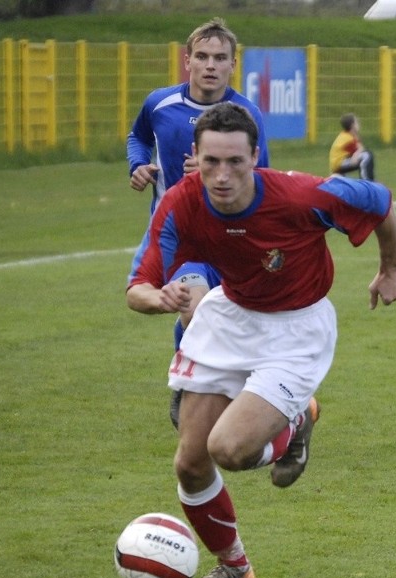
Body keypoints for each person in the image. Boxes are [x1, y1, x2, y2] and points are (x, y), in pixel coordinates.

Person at [126, 102, 396, 578]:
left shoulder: (302, 195)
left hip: (297, 330)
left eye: (235, 161)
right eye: (211, 161)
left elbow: (379, 200)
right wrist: (160, 297)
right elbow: (138, 287)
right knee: (191, 464)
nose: (222, 174)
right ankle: (235, 569)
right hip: (230, 317)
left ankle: (296, 418)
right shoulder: (180, 202)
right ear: (194, 156)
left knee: (229, 450)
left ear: (255, 156)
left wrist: (391, 267)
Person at [126, 18, 269, 426]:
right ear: (187, 61)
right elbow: (137, 136)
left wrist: (215, 173)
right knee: (196, 309)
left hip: (232, 236)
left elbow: (264, 176)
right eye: (202, 56)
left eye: (220, 58)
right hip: (180, 234)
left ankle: (201, 380)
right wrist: (138, 164)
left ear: (233, 65)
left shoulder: (247, 114)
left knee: (230, 319)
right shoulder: (160, 104)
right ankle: (188, 387)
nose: (210, 65)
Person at [329, 113, 375, 181]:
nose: (359, 124)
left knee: (365, 154)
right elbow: (359, 152)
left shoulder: (349, 135)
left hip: (339, 163)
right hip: (338, 164)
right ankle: (367, 182)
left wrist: (357, 152)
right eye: (357, 122)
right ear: (353, 125)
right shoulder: (348, 139)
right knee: (366, 155)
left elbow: (360, 149)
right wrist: (357, 153)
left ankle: (368, 181)